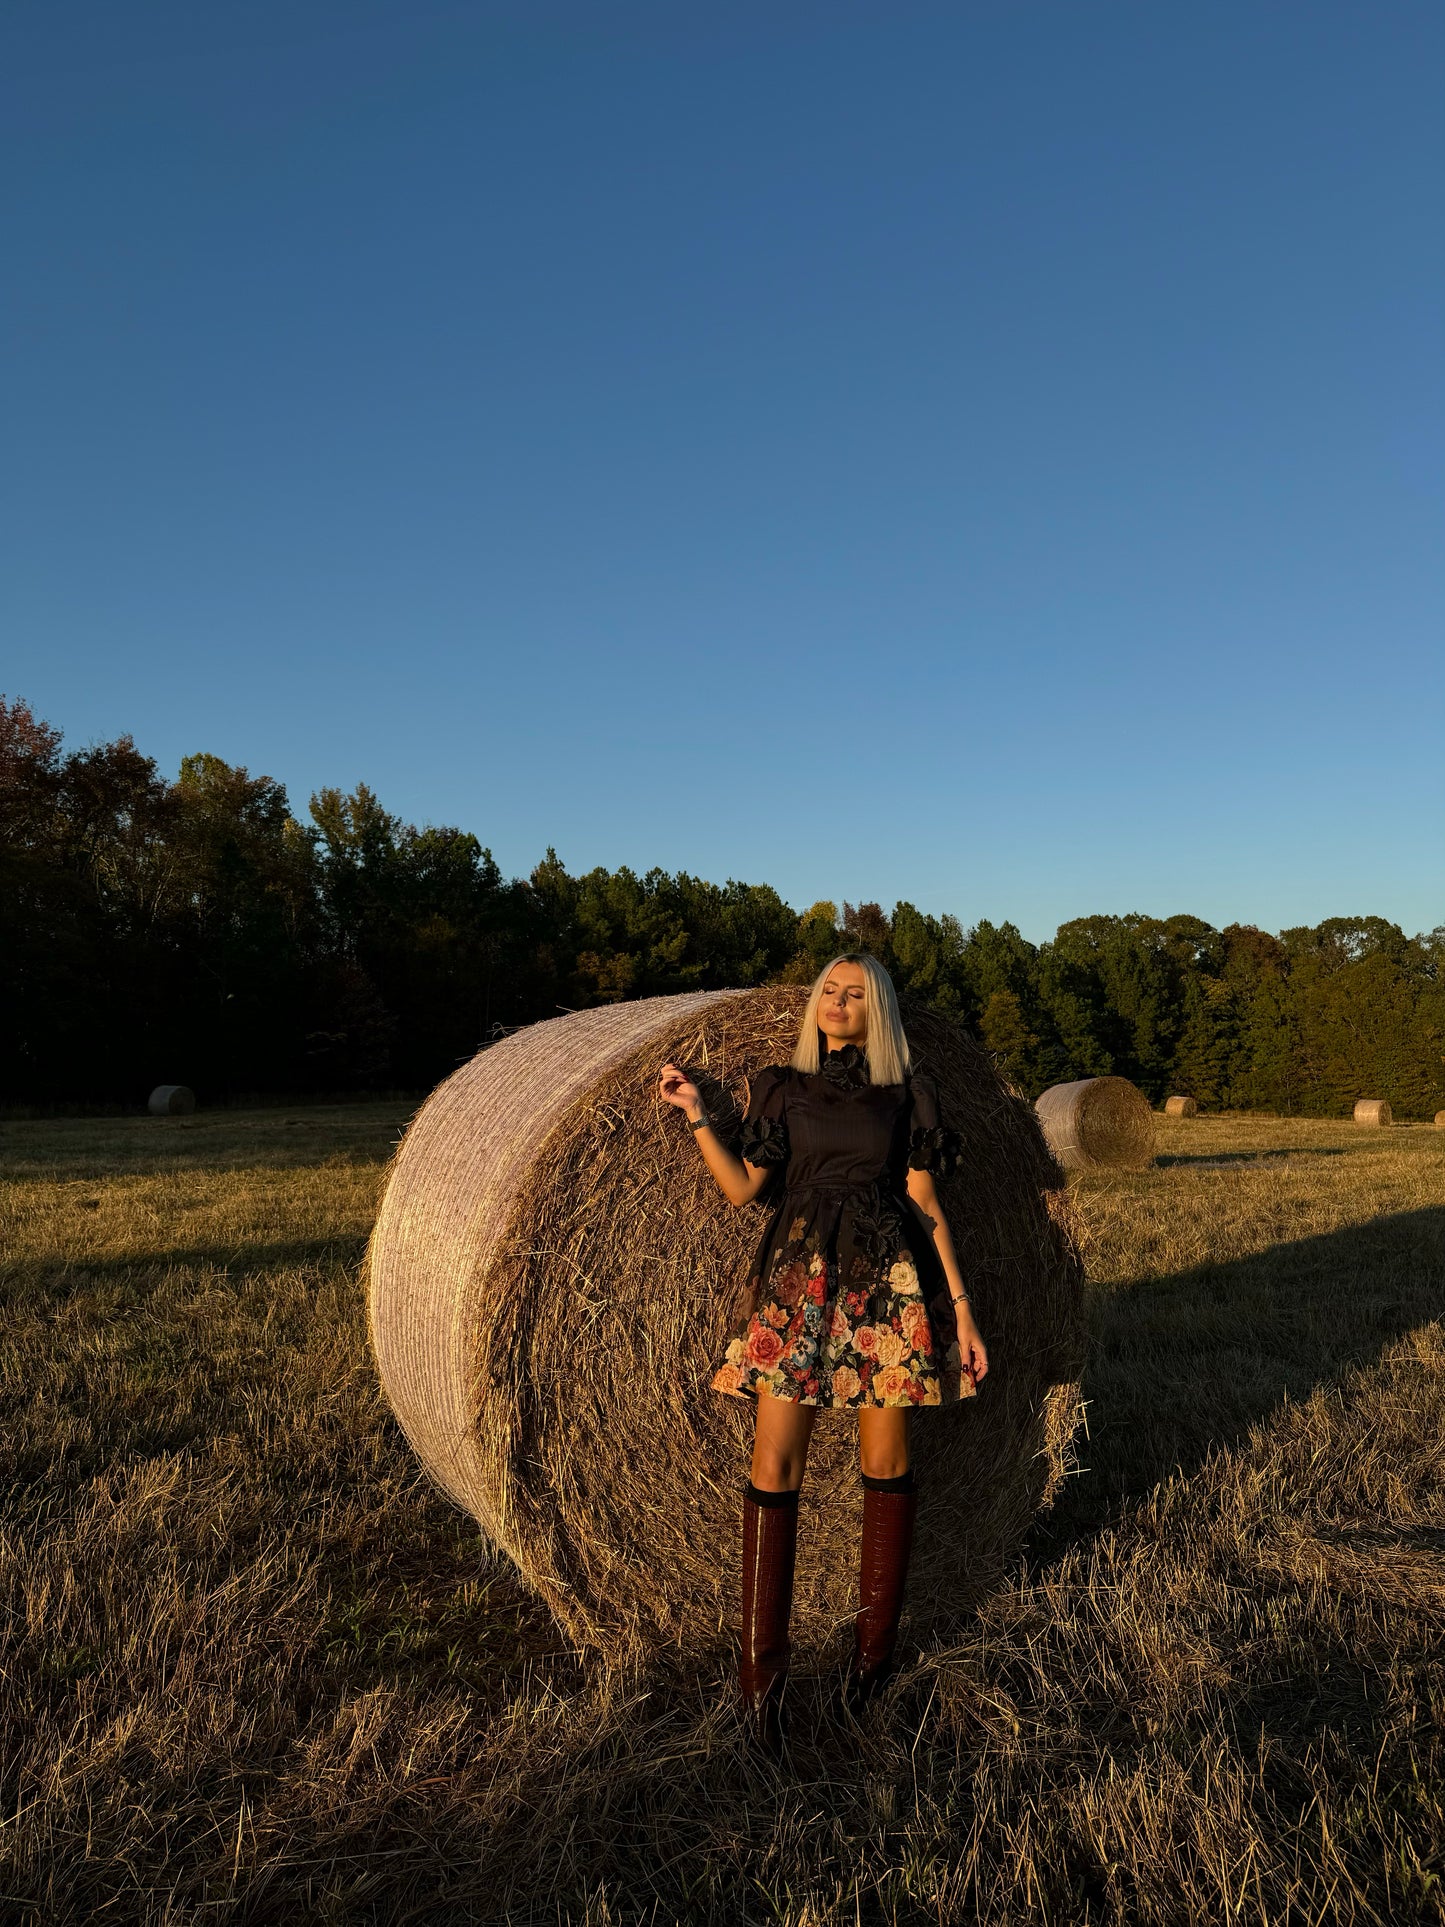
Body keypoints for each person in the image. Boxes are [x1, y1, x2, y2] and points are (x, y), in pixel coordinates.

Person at [658, 952, 989, 1750]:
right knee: (773, 1464)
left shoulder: (906, 1095)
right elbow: (744, 1189)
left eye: (854, 994)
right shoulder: (783, 1086)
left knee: (885, 1456)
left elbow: (922, 1199)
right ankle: (760, 1686)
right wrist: (700, 1111)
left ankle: (870, 1672)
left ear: (876, 1009)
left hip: (887, 1280)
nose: (837, 1002)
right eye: (828, 993)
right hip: (799, 1280)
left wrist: (961, 1308)